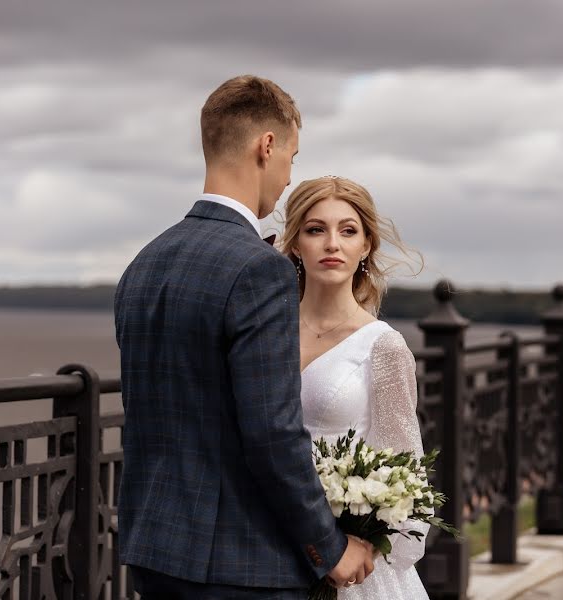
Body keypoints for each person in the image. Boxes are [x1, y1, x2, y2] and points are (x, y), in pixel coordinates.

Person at [114, 76, 374, 599]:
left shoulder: (144, 264)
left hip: (153, 554)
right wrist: (329, 545)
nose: (286, 178)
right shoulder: (260, 270)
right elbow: (272, 432)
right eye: (292, 159)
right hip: (242, 567)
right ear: (267, 145)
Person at [279, 176, 430, 600]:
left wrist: (360, 541)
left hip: (350, 561)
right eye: (315, 229)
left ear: (366, 246)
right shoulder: (265, 335)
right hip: (265, 542)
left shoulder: (383, 346)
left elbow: (406, 470)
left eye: (348, 231)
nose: (332, 243)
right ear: (295, 243)